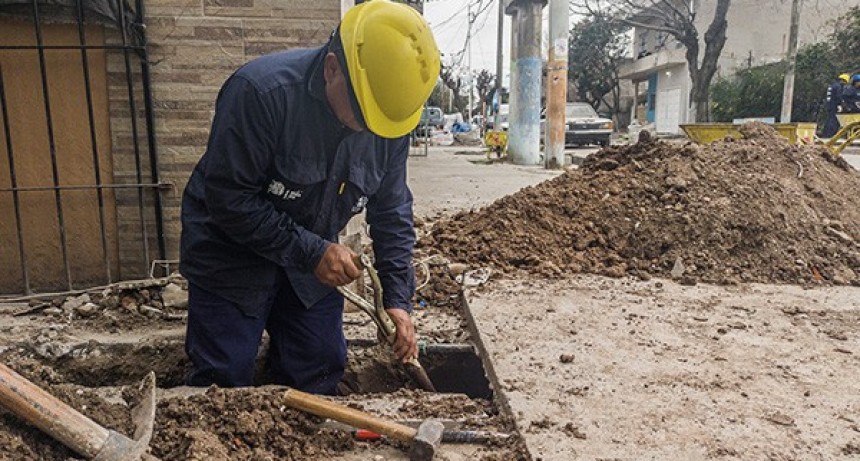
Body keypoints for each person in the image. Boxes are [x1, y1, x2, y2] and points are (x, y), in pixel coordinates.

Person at [179, 0, 441, 395]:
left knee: (319, 368)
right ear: (332, 68)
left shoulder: (388, 125)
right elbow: (229, 199)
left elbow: (391, 212)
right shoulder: (260, 94)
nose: (367, 131)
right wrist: (312, 252)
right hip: (228, 250)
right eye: (362, 114)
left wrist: (398, 298)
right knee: (224, 379)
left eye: (380, 123)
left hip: (309, 258)